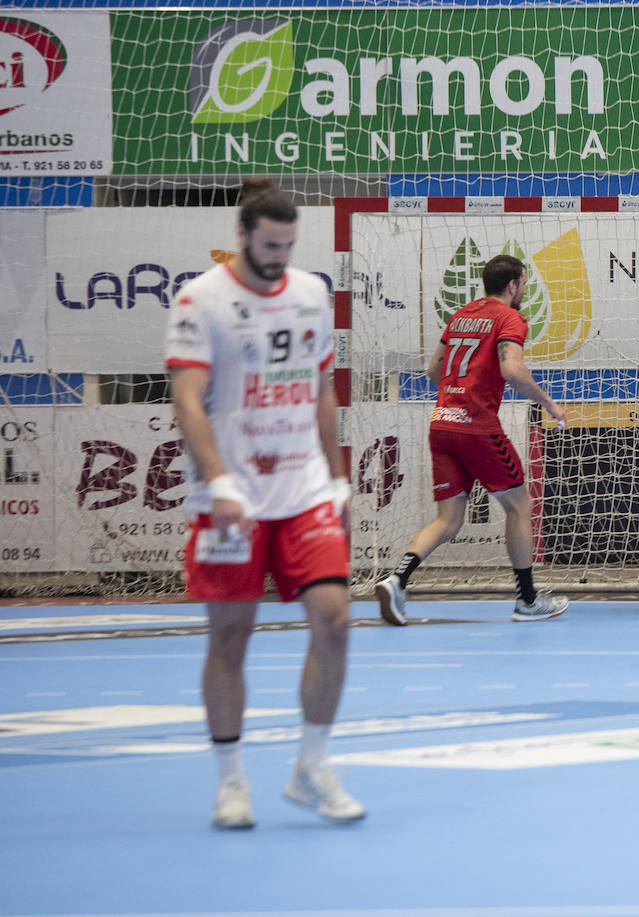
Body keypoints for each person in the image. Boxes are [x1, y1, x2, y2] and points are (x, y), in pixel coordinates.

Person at [166, 178, 364, 829]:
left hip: (304, 488)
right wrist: (219, 480)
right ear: (243, 236)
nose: (279, 256)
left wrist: (336, 479)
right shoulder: (201, 300)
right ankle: (230, 781)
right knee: (230, 637)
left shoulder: (311, 293)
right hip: (233, 498)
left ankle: (311, 766)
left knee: (334, 620)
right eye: (269, 244)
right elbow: (189, 399)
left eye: (289, 244)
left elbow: (321, 389)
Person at [374, 255, 569, 626]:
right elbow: (511, 369)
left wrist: (455, 398)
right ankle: (527, 600)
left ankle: (396, 579)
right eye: (524, 284)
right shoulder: (510, 317)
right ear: (512, 285)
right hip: (477, 428)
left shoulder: (461, 315)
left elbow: (434, 370)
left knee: (448, 521)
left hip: (442, 424)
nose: (524, 290)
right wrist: (548, 402)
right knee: (520, 506)